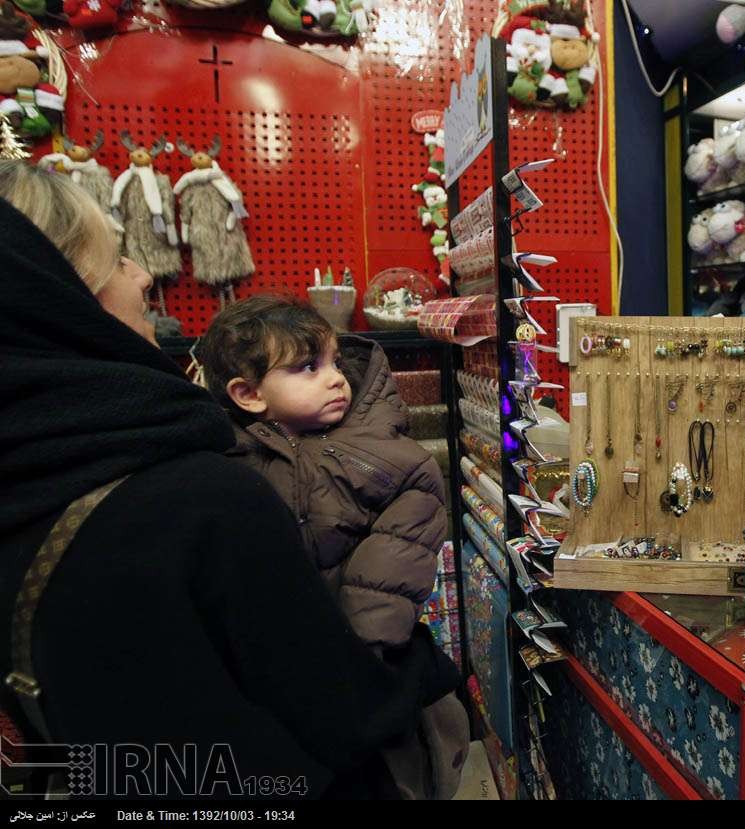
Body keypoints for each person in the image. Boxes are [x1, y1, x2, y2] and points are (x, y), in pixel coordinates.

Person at [0, 160, 459, 798]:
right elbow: (340, 705)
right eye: (116, 260)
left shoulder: (34, 478)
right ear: (56, 299)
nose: (142, 275)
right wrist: (422, 669)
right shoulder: (197, 497)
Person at [195, 296, 467, 798]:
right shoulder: (222, 462)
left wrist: (355, 660)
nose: (336, 378)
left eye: (335, 362)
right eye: (308, 367)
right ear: (248, 394)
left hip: (367, 674)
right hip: (276, 689)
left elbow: (385, 579)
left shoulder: (392, 461)